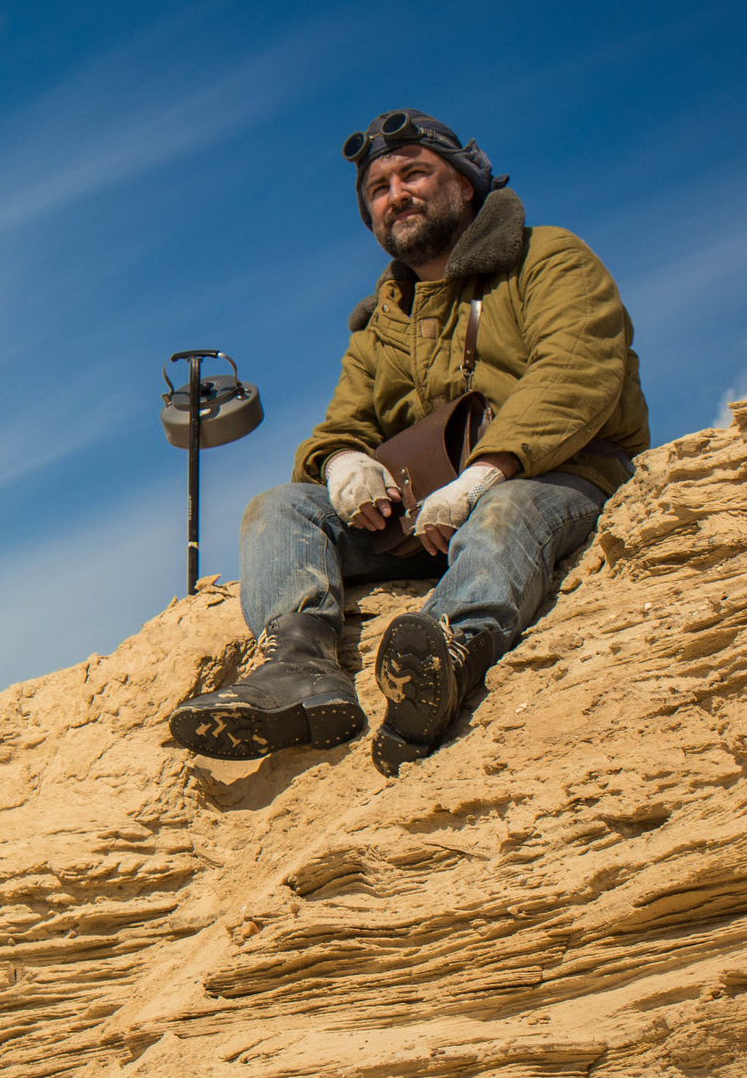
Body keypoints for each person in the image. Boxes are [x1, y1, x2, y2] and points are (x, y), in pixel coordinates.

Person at [170, 108, 649, 775]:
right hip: (425, 518)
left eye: (413, 173)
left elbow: (575, 371)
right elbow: (341, 423)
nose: (396, 194)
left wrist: (484, 476)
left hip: (559, 478)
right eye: (379, 189)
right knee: (279, 508)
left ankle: (447, 655)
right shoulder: (381, 320)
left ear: (466, 183)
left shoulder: (547, 258)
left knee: (506, 514)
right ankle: (297, 666)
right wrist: (343, 465)